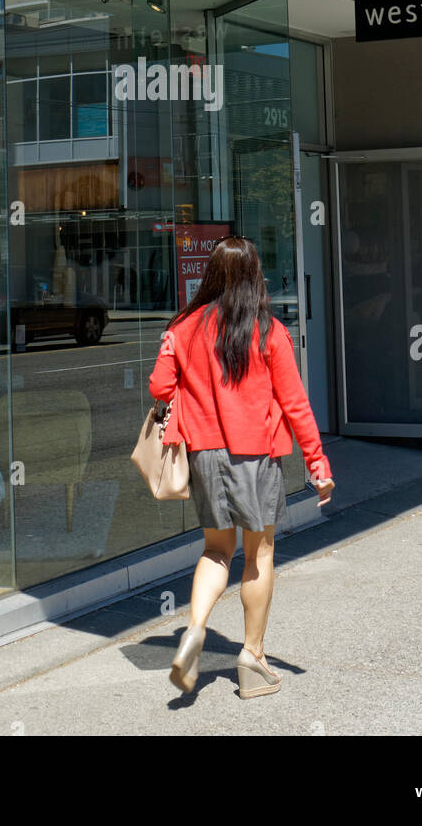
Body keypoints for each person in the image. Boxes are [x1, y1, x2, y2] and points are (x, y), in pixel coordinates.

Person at [149, 236, 334, 700]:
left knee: (216, 551)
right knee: (259, 555)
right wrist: (317, 462)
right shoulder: (268, 330)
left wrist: (176, 354)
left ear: (210, 275)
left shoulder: (184, 326)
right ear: (255, 276)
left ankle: (194, 629)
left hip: (203, 455)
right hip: (255, 456)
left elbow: (159, 386)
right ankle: (251, 657)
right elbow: (294, 403)